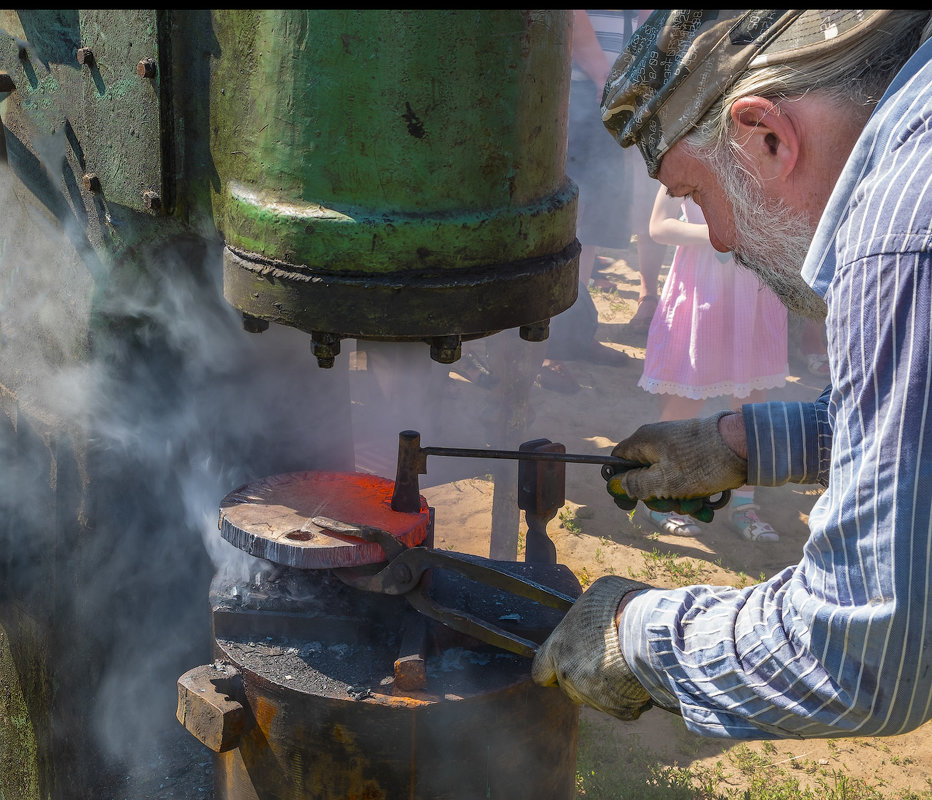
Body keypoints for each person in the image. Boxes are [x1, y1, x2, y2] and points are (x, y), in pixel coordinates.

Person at [533, 10, 932, 740]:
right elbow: (916, 421)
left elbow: (866, 656)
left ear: (764, 135)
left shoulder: (901, 235)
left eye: (698, 195)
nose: (716, 236)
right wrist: (741, 441)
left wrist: (637, 634)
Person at [639, 188, 787, 541]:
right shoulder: (691, 149)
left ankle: (744, 505)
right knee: (686, 400)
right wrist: (718, 234)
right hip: (701, 289)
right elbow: (659, 226)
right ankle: (659, 495)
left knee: (753, 404)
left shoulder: (764, 154)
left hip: (752, 291)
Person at [538, 10, 635, 394]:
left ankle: (575, 334)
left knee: (590, 225)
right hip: (577, 93)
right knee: (562, 224)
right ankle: (544, 346)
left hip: (609, 93)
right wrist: (603, 77)